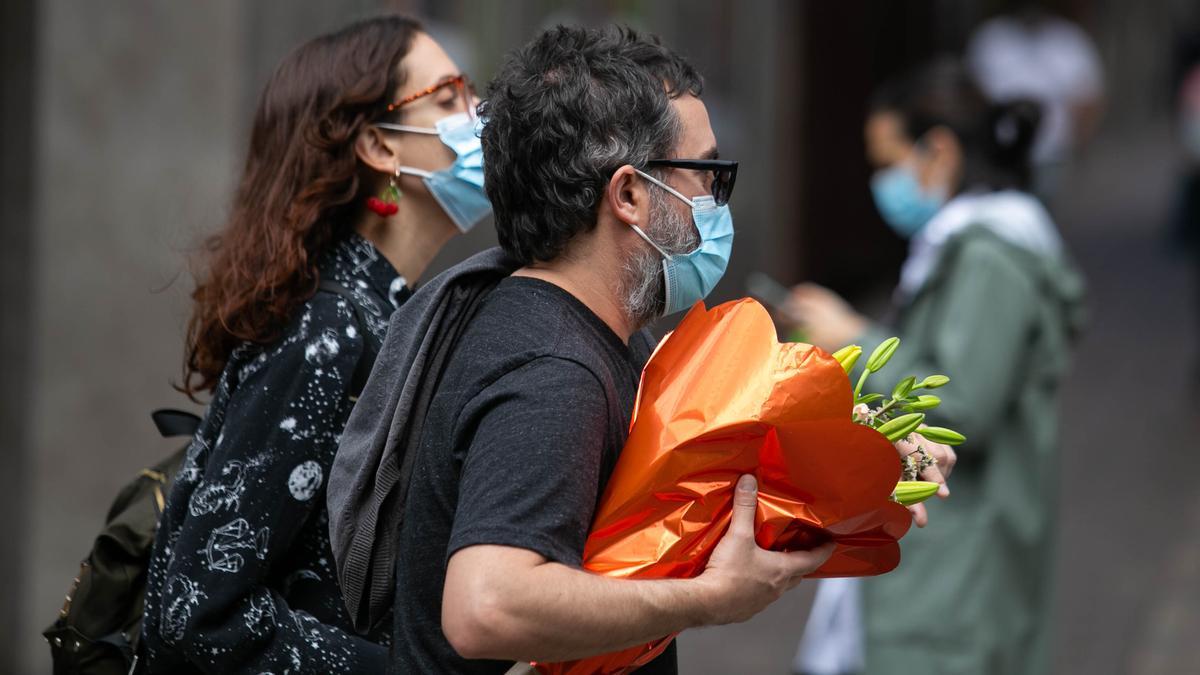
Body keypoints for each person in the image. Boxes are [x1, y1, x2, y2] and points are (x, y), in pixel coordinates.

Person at [337, 25, 952, 674]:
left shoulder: (570, 324)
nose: (717, 203)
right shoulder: (555, 372)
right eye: (709, 174)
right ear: (629, 194)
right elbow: (484, 604)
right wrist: (705, 599)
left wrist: (869, 460)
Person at [141, 15, 490, 673]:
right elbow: (197, 613)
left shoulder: (388, 315)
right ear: (379, 147)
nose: (481, 119)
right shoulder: (325, 329)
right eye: (448, 99)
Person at [790, 60, 1086, 675]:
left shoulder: (989, 259)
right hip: (947, 563)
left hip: (959, 572)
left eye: (887, 162)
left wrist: (854, 338)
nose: (881, 182)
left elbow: (963, 404)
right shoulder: (964, 247)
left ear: (940, 151)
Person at [966, 1, 1105, 202]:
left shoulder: (1069, 39)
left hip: (1050, 155)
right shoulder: (990, 37)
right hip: (1000, 156)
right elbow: (972, 94)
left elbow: (1088, 101)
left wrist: (1079, 148)